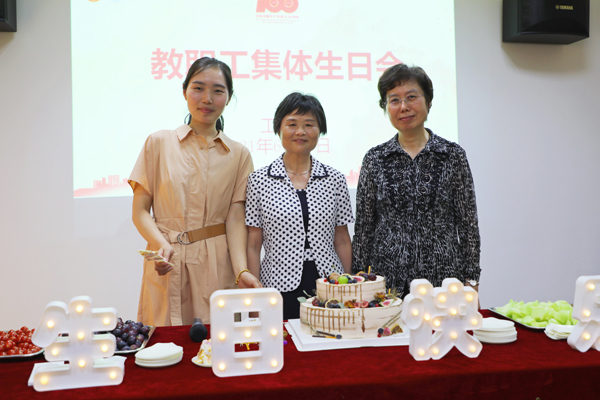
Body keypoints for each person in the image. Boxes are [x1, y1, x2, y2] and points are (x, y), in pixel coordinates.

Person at [129, 57, 261, 327]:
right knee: (166, 339)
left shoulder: (239, 154)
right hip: (167, 259)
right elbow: (140, 211)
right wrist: (161, 246)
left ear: (229, 97)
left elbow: (236, 219)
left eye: (218, 91)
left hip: (217, 264)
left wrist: (241, 271)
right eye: (198, 88)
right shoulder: (158, 142)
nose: (207, 99)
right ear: (184, 91)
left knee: (217, 340)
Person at [352, 63, 481, 296]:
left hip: (443, 282)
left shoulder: (452, 155)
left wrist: (472, 281)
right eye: (394, 100)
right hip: (386, 284)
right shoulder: (375, 158)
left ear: (428, 101)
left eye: (411, 97)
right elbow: (364, 229)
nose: (404, 107)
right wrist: (359, 280)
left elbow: (468, 224)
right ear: (386, 107)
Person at [245, 92, 354, 319]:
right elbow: (254, 244)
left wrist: (349, 285)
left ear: (320, 130)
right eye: (292, 124)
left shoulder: (335, 179)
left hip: (329, 284)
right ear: (279, 129)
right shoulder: (259, 180)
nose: (300, 132)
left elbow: (342, 239)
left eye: (309, 125)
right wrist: (254, 295)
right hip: (277, 284)